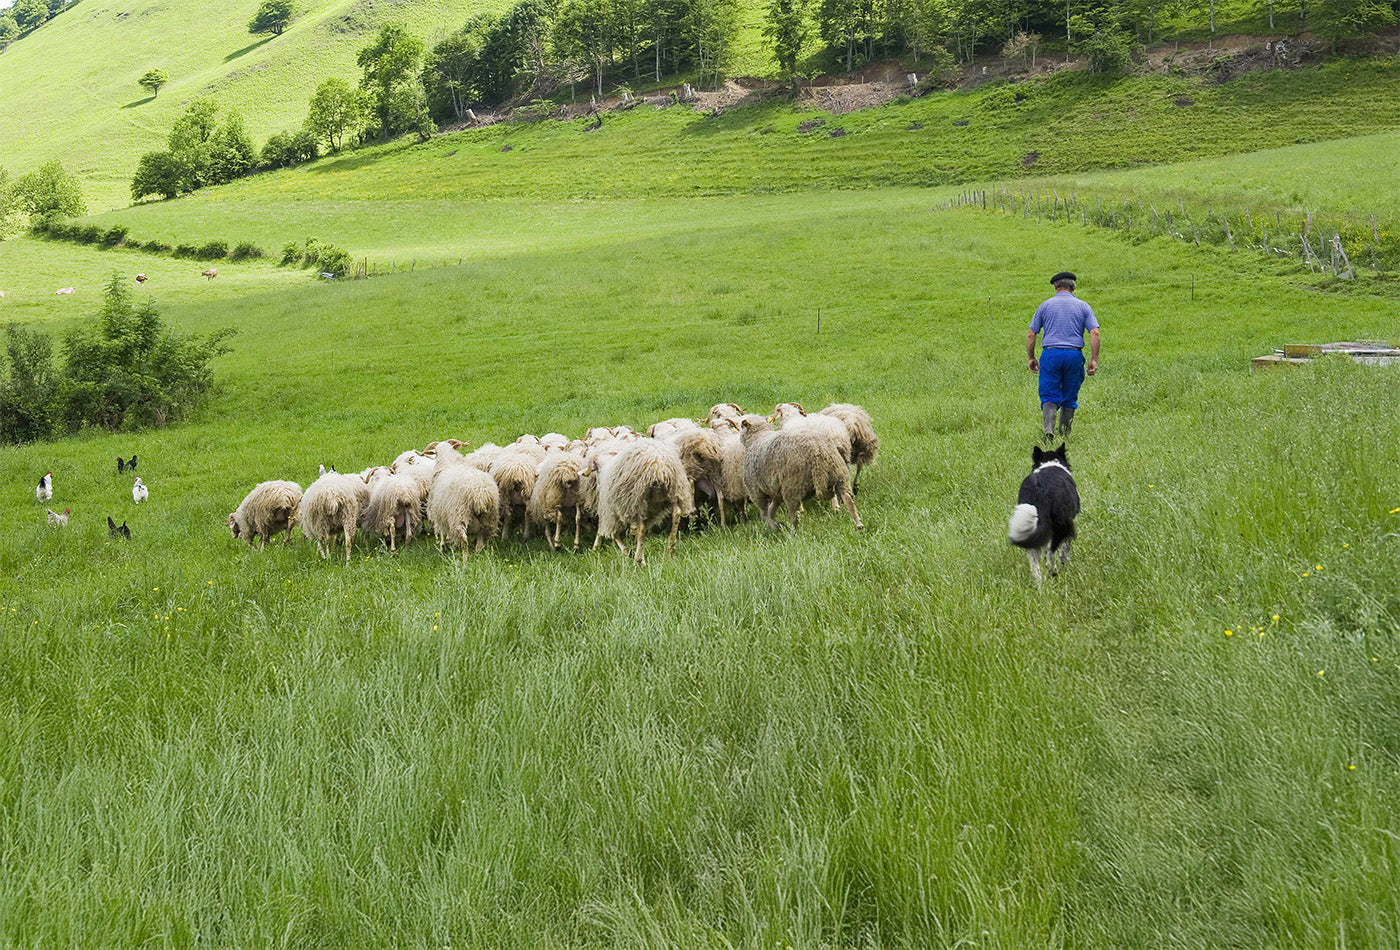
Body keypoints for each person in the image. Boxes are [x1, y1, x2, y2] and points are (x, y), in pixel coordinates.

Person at [1027, 271, 1099, 440]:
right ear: (1073, 287)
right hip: (1074, 354)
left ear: (1055, 286)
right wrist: (1094, 359)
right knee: (1070, 393)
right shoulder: (1083, 306)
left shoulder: (1045, 306)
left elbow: (1031, 334)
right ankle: (1065, 434)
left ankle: (1048, 430)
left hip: (1051, 353)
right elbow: (1094, 333)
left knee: (1049, 392)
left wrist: (1031, 357)